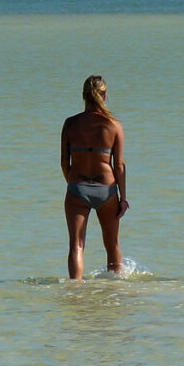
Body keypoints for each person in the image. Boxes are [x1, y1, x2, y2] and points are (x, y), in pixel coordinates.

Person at [61, 75, 129, 280]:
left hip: (77, 186)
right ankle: (115, 291)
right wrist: (123, 198)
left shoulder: (70, 124)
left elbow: (65, 163)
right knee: (112, 244)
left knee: (76, 244)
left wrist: (73, 185)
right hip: (106, 189)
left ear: (83, 96)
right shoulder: (114, 125)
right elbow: (119, 165)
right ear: (105, 96)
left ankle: (76, 291)